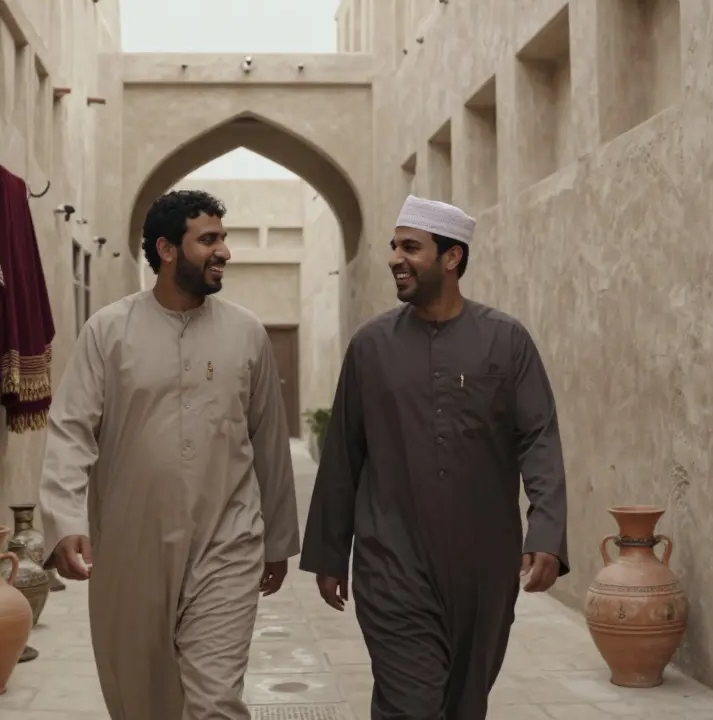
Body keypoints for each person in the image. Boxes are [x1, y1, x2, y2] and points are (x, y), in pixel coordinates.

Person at [299, 195, 569, 719]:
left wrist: (547, 532)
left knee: (464, 704)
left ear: (452, 257)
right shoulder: (370, 347)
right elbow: (343, 454)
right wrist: (331, 554)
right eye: (394, 246)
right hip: (391, 559)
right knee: (411, 704)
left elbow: (539, 437)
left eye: (410, 247)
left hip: (483, 565)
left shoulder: (507, 341)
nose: (395, 259)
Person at [39, 189, 301, 719]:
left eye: (223, 238)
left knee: (216, 701)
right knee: (143, 700)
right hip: (130, 545)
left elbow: (269, 442)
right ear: (166, 249)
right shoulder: (108, 331)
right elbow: (71, 429)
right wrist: (65, 520)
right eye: (208, 239)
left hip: (227, 541)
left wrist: (276, 540)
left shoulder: (246, 333)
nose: (224, 251)